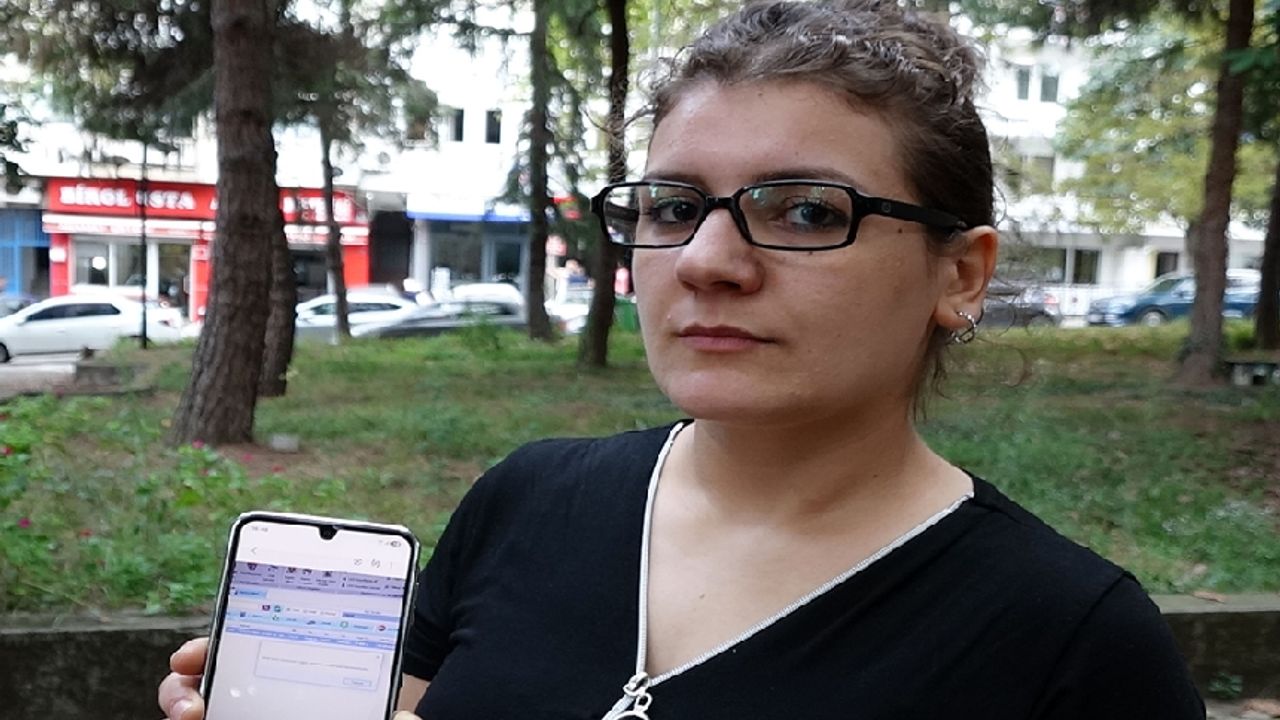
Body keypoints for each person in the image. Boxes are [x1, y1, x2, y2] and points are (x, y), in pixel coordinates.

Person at [159, 1, 1204, 718]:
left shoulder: (1070, 643)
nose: (705, 261)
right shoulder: (527, 501)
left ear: (959, 275)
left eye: (805, 211)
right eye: (671, 207)